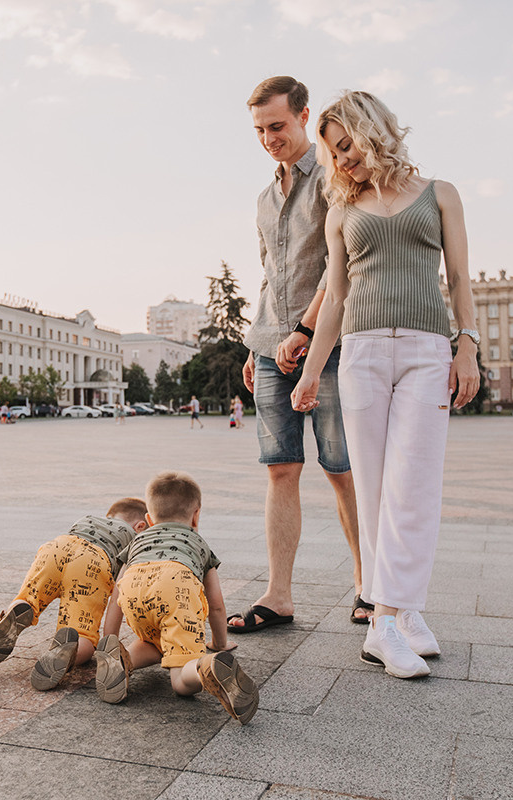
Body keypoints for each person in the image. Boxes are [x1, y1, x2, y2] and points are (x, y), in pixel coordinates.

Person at [291, 90, 481, 679]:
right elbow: (336, 299)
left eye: (346, 145)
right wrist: (312, 368)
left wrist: (467, 345)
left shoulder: (439, 194)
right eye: (331, 153)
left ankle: (395, 614)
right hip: (363, 354)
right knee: (373, 491)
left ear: (375, 132)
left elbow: (459, 279)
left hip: (427, 352)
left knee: (414, 486)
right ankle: (391, 618)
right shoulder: (342, 212)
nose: (342, 160)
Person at [231, 76, 366, 634]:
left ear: (305, 115)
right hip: (270, 348)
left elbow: (344, 267)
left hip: (329, 345)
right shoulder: (264, 198)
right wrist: (257, 341)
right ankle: (278, 595)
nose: (269, 139)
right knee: (280, 470)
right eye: (260, 130)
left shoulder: (334, 181)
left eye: (278, 126)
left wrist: (305, 331)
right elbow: (270, 276)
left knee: (342, 470)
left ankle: (370, 587)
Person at [96, 471, 258, 724]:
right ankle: (206, 668)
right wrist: (220, 643)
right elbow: (215, 605)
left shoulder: (138, 541)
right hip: (176, 590)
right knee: (182, 684)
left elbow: (117, 591)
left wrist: (109, 638)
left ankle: (123, 660)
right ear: (196, 515)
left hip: (134, 593)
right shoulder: (198, 543)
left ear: (149, 518)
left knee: (154, 641)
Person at [0, 498, 149, 690]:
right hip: (92, 563)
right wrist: (109, 640)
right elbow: (118, 593)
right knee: (83, 635)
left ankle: (19, 610)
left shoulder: (88, 520)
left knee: (28, 598)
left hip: (57, 547)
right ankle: (69, 651)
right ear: (140, 525)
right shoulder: (134, 539)